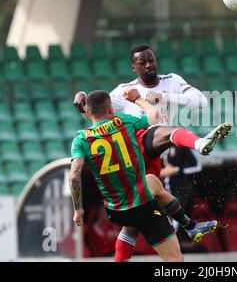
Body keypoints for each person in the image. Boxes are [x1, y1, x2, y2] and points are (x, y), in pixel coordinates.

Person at [73, 45, 223, 261]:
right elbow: (96, 107)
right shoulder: (125, 90)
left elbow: (201, 100)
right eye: (142, 63)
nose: (148, 65)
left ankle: (190, 226)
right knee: (167, 131)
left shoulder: (171, 81)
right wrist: (82, 95)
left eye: (151, 60)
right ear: (133, 67)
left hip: (152, 159)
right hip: (138, 152)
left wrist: (163, 96)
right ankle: (199, 144)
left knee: (134, 219)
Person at [69, 90, 184, 261]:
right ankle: (190, 225)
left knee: (149, 187)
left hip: (115, 210)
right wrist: (138, 99)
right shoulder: (122, 122)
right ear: (110, 108)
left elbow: (74, 175)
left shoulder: (81, 139)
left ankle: (190, 224)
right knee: (175, 259)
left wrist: (78, 209)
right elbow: (155, 117)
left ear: (89, 112)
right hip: (142, 203)